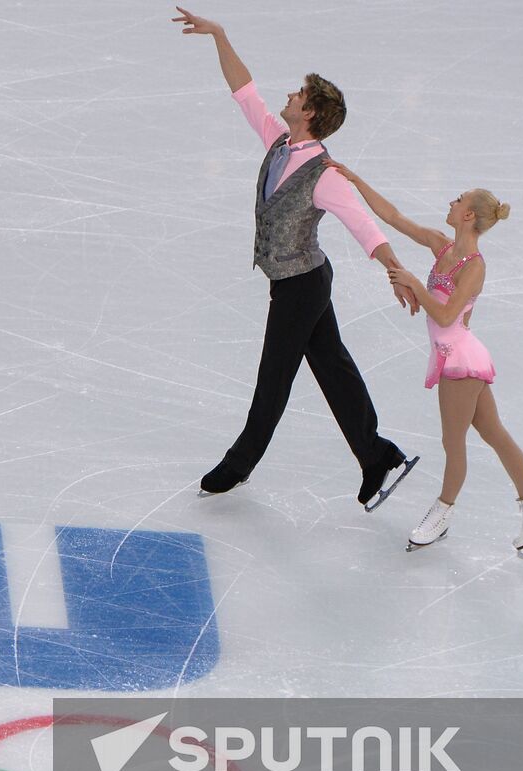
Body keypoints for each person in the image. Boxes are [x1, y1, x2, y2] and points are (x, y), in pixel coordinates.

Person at [172, 7, 417, 510]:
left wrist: (395, 271)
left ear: (311, 113)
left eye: (299, 94)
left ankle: (238, 465)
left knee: (275, 373)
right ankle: (378, 457)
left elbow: (362, 224)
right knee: (332, 366)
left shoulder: (325, 174)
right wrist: (220, 35)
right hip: (295, 280)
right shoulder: (279, 144)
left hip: (303, 284)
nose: (290, 95)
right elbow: (245, 92)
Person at [328, 160, 523, 552]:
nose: (451, 202)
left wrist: (413, 284)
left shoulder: (474, 268)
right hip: (452, 355)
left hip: (461, 361)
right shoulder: (442, 245)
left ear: (469, 215)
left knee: (452, 442)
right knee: (494, 434)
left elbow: (443, 313)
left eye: (458, 200)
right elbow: (393, 216)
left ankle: (441, 514)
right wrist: (355, 180)